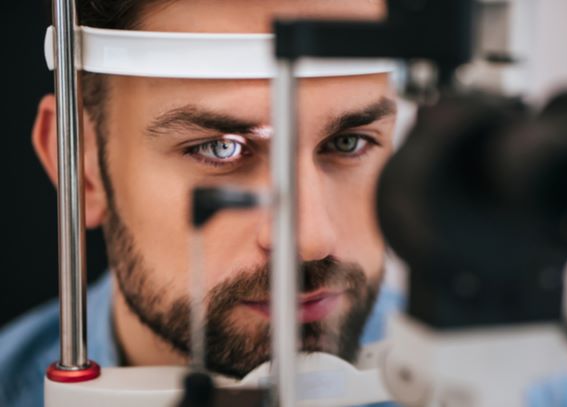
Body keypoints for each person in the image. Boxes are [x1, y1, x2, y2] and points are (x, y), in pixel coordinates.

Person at [0, 1, 405, 406]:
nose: (312, 239)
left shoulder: (464, 375)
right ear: (81, 170)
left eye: (348, 142)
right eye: (220, 148)